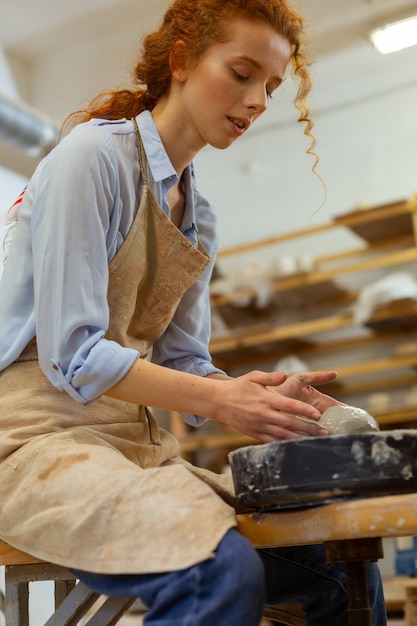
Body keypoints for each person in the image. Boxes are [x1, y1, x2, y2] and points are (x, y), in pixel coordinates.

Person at [0, 0, 386, 624]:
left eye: (271, 86)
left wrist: (255, 397)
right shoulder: (92, 160)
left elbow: (185, 363)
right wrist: (222, 402)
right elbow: (72, 355)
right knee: (217, 572)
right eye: (241, 73)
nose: (258, 100)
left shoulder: (198, 217)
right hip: (34, 442)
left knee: (339, 557)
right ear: (180, 61)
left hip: (134, 446)